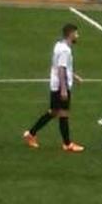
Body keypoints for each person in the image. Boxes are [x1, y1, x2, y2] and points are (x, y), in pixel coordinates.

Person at [23, 24, 86, 152]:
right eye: (76, 33)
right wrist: (63, 89)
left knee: (54, 112)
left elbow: (62, 67)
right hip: (60, 85)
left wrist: (74, 76)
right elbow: (61, 69)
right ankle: (67, 144)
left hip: (55, 84)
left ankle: (31, 133)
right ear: (71, 34)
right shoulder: (65, 50)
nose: (77, 36)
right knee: (63, 113)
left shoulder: (59, 45)